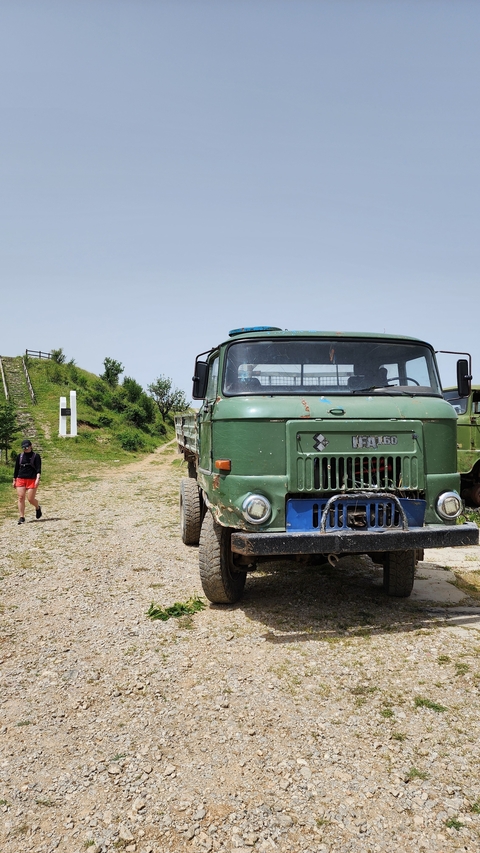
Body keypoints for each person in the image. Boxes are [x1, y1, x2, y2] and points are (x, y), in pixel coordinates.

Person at [13, 439, 42, 525]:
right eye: (23, 448)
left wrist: (37, 478)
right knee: (21, 497)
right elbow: (16, 469)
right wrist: (14, 479)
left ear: (30, 446)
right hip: (21, 478)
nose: (25, 449)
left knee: (30, 499)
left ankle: (37, 507)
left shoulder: (36, 456)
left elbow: (38, 469)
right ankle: (22, 517)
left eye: (26, 447)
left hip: (32, 479)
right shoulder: (20, 456)